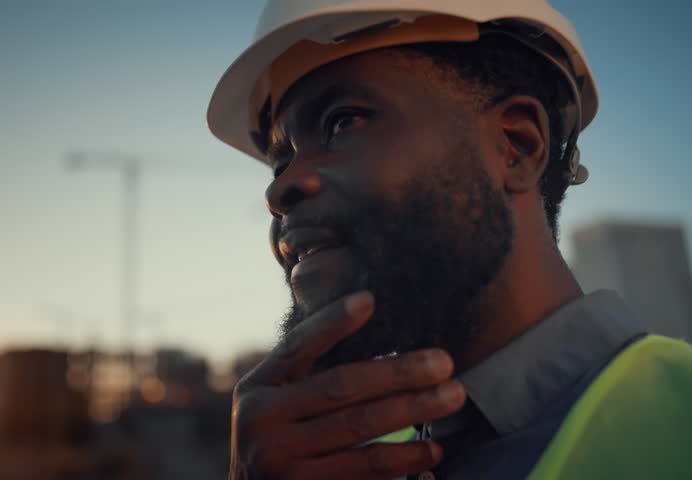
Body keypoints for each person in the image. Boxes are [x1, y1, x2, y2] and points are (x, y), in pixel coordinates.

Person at [206, 1, 692, 479]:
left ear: (517, 146)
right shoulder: (338, 457)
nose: (279, 190)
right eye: (281, 160)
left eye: (343, 122)